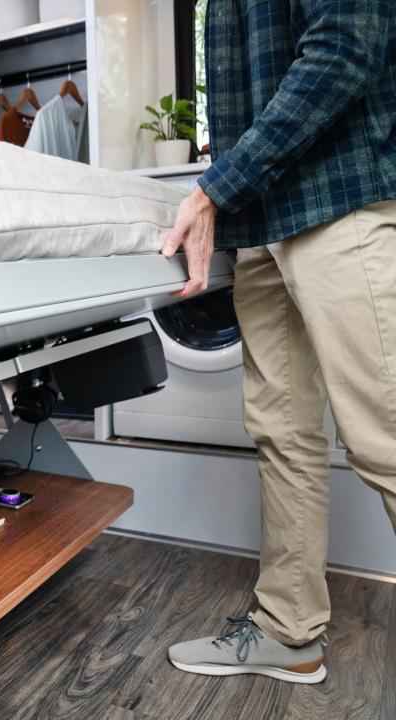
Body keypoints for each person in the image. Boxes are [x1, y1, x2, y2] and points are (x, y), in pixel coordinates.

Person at [163, 0, 396, 684]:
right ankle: (288, 632)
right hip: (261, 217)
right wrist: (229, 194)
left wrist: (214, 188)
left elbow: (345, 48)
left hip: (339, 200)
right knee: (282, 432)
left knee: (385, 433)